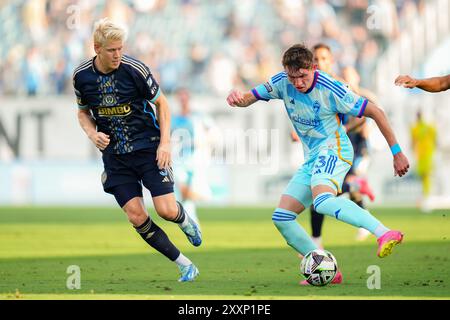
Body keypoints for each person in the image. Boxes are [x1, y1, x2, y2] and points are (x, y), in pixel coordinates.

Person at [226, 43, 409, 286]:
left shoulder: (331, 88)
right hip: (313, 157)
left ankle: (384, 232)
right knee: (282, 217)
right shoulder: (282, 81)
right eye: (293, 77)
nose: (298, 83)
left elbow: (376, 111)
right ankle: (327, 269)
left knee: (322, 202)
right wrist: (238, 99)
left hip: (336, 149)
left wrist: (397, 153)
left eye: (302, 76)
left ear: (313, 67)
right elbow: (250, 97)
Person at [72, 18, 202, 282]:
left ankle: (184, 219)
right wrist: (91, 133)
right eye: (112, 50)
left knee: (165, 210)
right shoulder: (82, 76)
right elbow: (83, 112)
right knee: (136, 215)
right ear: (97, 47)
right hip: (115, 157)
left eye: (121, 48)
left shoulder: (135, 69)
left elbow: (162, 104)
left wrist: (165, 143)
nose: (118, 54)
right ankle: (184, 264)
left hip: (148, 148)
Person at [171, 88, 216, 225]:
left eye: (185, 98)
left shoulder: (198, 116)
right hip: (179, 159)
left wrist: (203, 142)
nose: (183, 101)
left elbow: (213, 134)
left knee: (186, 195)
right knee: (183, 190)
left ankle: (191, 221)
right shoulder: (174, 118)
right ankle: (194, 215)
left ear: (189, 99)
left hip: (196, 158)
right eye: (181, 98)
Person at [410, 111, 437, 212]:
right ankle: (425, 198)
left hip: (427, 155)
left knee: (426, 176)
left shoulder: (427, 127)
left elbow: (434, 139)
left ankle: (427, 199)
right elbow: (413, 141)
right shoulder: (417, 128)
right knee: (423, 177)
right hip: (421, 155)